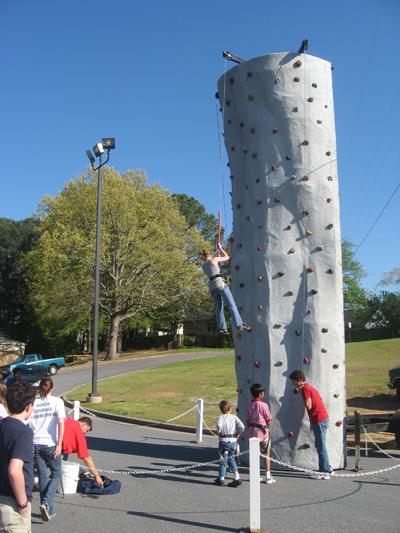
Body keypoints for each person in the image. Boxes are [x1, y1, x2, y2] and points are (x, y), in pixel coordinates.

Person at [0, 381, 36, 533]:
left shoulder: (2, 425)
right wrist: (23, 503)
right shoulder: (23, 432)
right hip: (12, 503)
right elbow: (14, 471)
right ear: (29, 407)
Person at [28, 377, 65, 522]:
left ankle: (48, 508)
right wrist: (60, 444)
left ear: (40, 388)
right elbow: (61, 422)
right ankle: (46, 503)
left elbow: (29, 422)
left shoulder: (34, 403)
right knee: (56, 474)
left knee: (43, 475)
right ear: (52, 388)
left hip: (35, 443)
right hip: (50, 443)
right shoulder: (57, 402)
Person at [289, 370, 332, 480]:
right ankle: (327, 468)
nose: (292, 383)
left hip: (319, 419)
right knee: (321, 445)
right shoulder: (309, 387)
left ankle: (324, 471)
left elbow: (309, 405)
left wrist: (302, 396)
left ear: (298, 380)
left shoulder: (305, 389)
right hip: (321, 418)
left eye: (293, 381)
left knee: (321, 446)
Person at [201, 245, 251, 335]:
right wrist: (220, 249)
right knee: (232, 305)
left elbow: (214, 269)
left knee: (219, 308)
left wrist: (218, 260)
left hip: (212, 287)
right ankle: (239, 324)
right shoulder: (214, 259)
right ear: (211, 256)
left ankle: (222, 328)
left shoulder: (204, 266)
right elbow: (227, 257)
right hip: (220, 284)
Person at [62, 416, 104, 487]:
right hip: (57, 450)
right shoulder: (80, 434)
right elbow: (86, 458)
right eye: (86, 430)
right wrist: (97, 476)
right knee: (57, 472)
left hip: (41, 442)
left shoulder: (66, 419)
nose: (85, 433)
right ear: (83, 425)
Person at [247, 383, 276, 484]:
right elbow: (268, 418)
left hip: (252, 432)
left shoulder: (250, 405)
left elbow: (248, 419)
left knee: (255, 455)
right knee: (266, 454)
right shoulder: (263, 405)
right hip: (263, 433)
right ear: (261, 394)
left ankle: (256, 475)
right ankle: (268, 476)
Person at [214, 400, 245, 487]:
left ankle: (221, 478)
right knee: (231, 458)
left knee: (223, 460)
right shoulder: (234, 417)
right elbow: (242, 426)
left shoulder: (220, 418)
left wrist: (219, 433)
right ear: (230, 409)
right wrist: (238, 434)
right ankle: (236, 477)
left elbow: (219, 427)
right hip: (232, 440)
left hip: (224, 440)